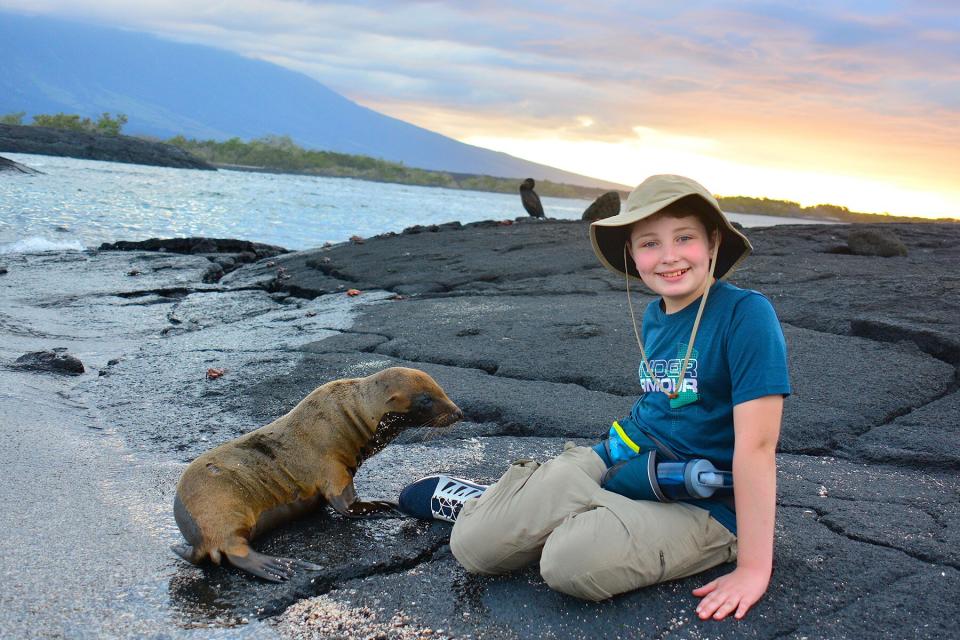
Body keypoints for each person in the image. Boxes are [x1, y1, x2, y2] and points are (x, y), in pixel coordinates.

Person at [398, 175, 790, 621]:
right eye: (649, 243)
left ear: (713, 241)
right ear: (632, 254)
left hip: (701, 496)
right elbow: (660, 406)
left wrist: (755, 567)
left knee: (568, 563)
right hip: (625, 458)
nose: (668, 257)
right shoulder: (655, 313)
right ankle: (491, 503)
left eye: (684, 237)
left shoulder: (746, 315)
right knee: (472, 546)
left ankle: (540, 514)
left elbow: (758, 447)